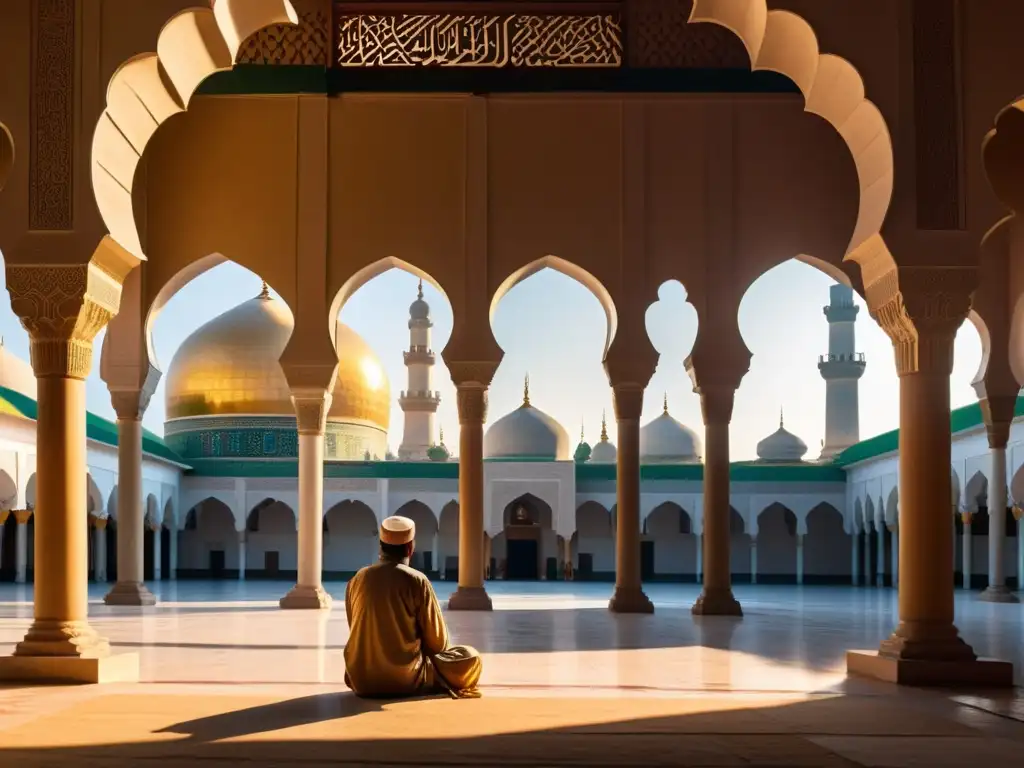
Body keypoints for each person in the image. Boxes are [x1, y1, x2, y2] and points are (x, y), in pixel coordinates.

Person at [343, 515, 483, 699]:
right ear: (410, 548)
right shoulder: (417, 580)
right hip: (405, 679)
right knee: (470, 657)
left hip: (360, 679)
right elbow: (437, 643)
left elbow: (354, 625)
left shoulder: (358, 578)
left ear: (380, 547)